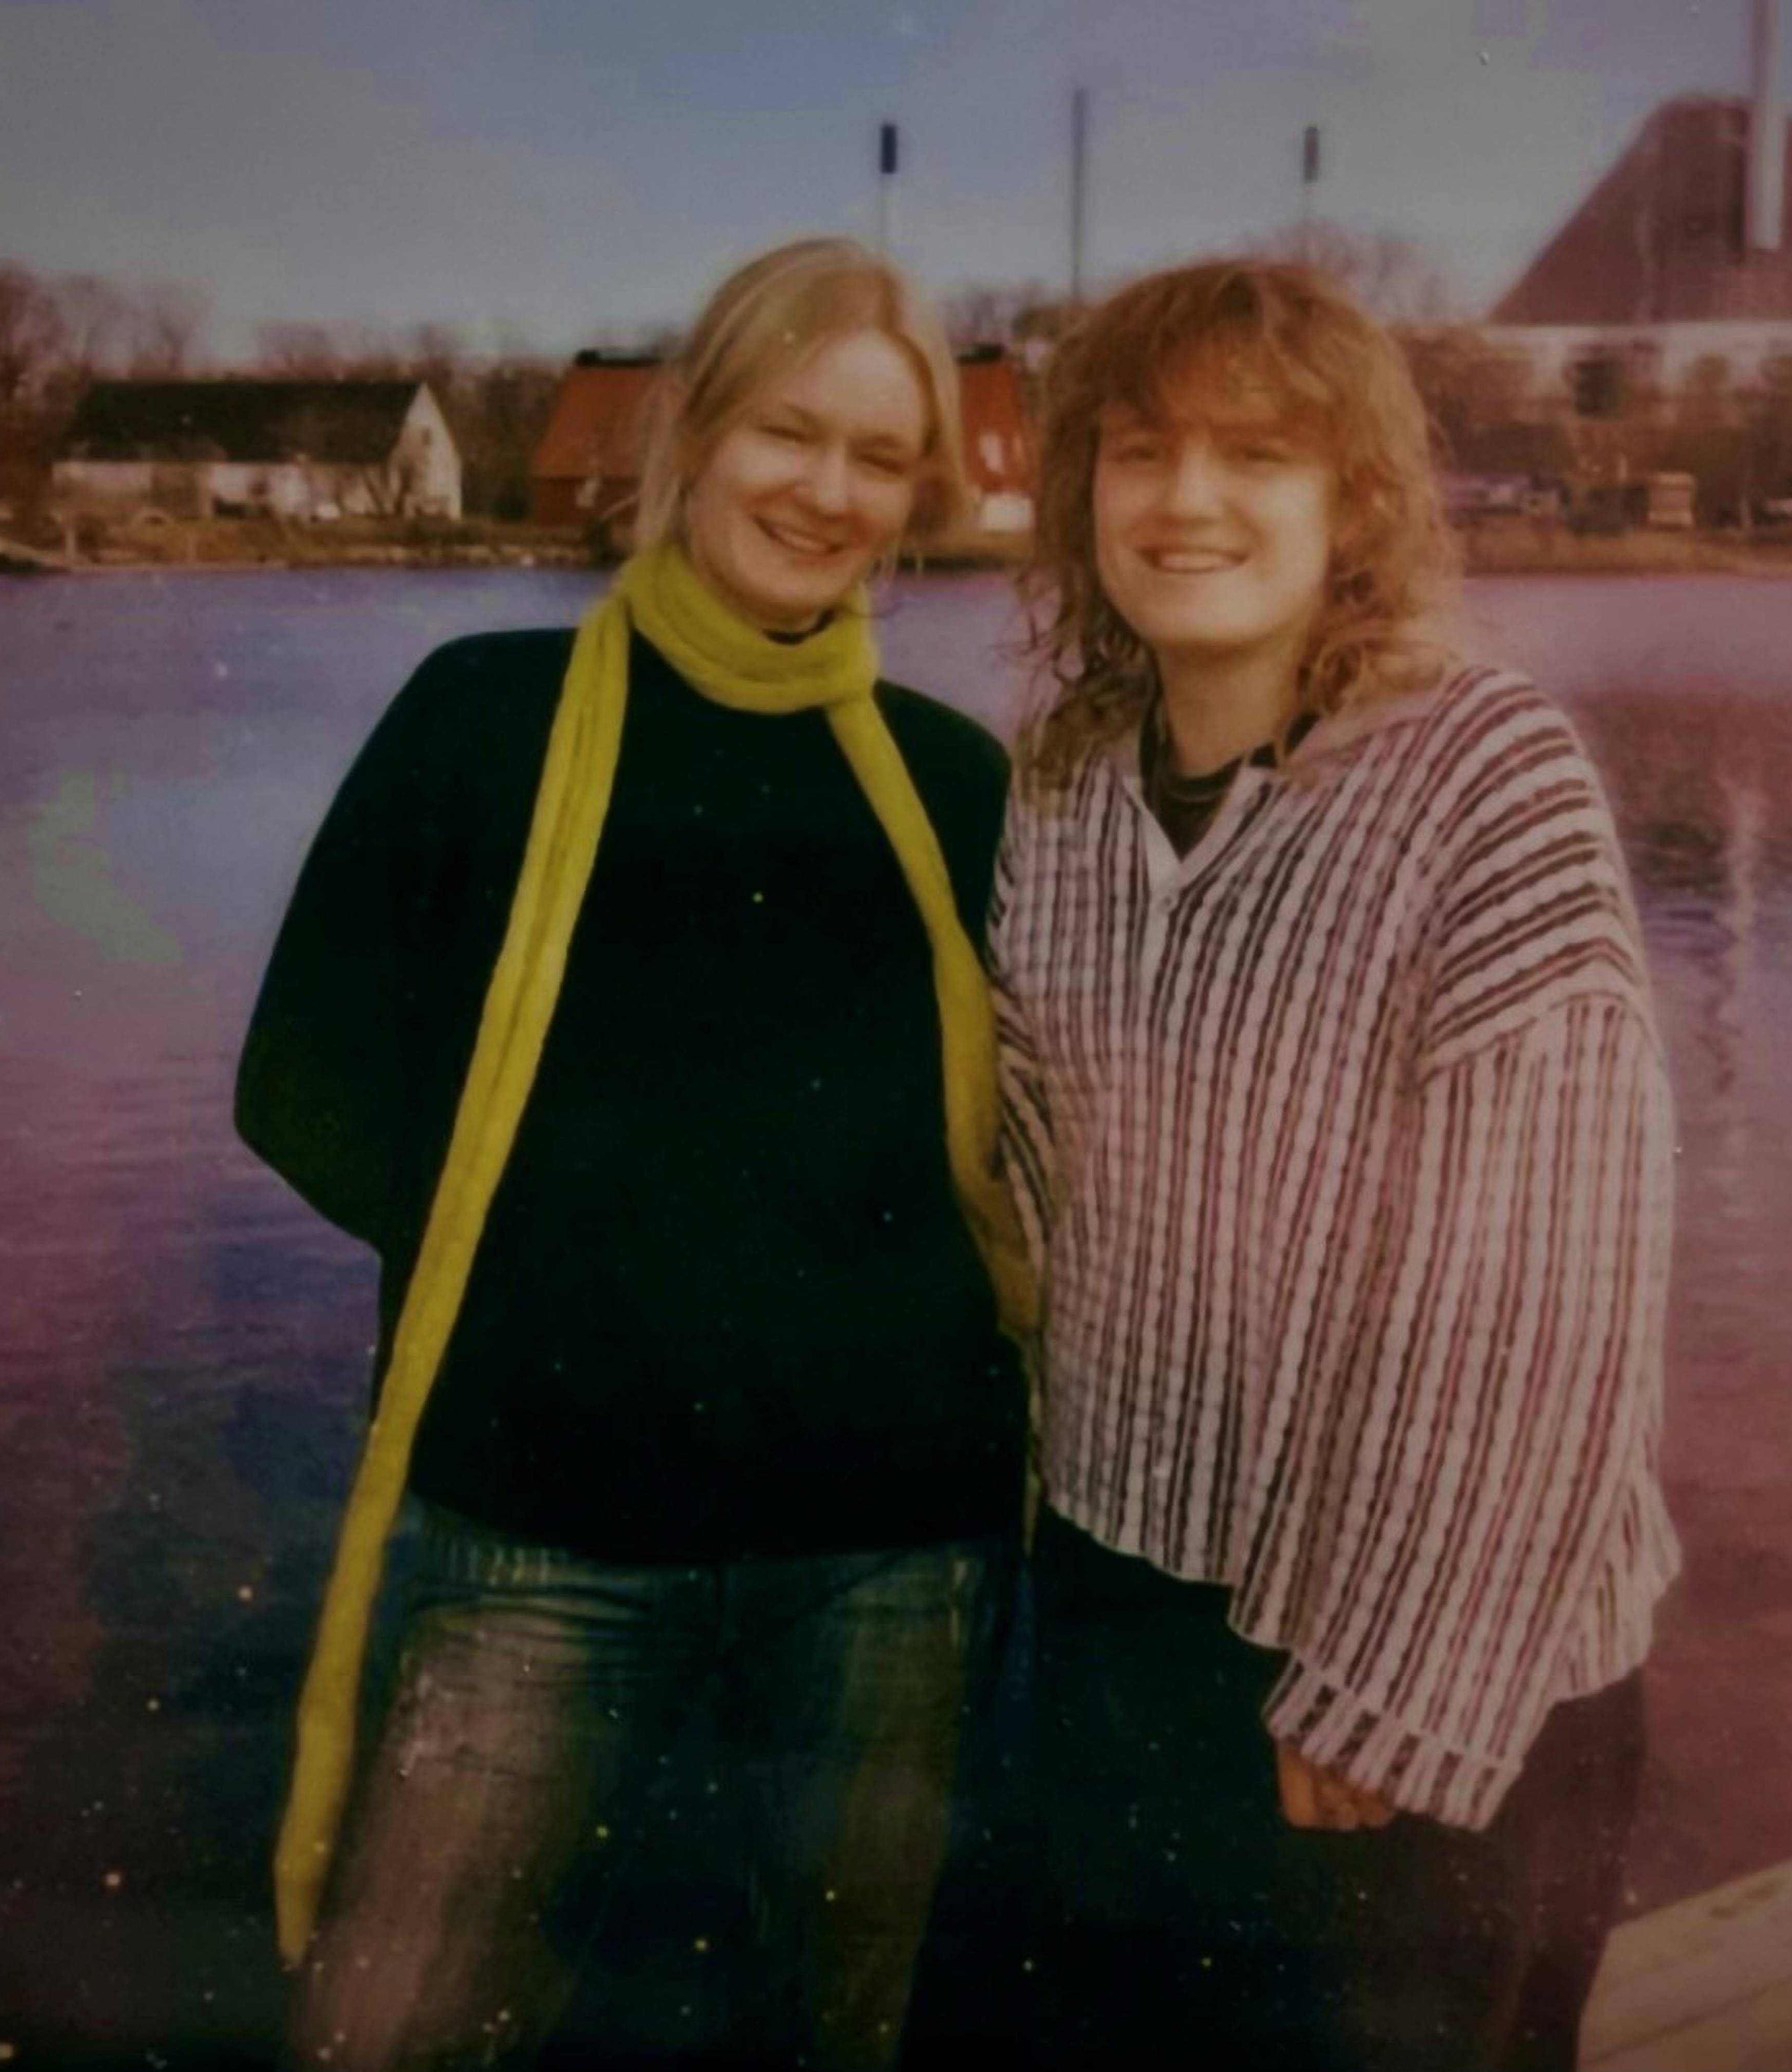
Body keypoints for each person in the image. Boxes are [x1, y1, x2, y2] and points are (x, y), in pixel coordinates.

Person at [234, 235, 1033, 2071]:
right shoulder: (480, 717)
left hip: (887, 1559)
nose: (827, 491)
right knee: (389, 2035)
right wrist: (582, 1294)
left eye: (878, 457)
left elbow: (1030, 1152)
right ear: (691, 427)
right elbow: (305, 1080)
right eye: (787, 430)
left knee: (831, 2036)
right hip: (541, 1539)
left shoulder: (951, 783)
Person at [980, 259, 1680, 2069]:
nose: (1187, 500)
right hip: (1133, 1612)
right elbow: (1032, 1203)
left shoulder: (1485, 777)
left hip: (1425, 1657)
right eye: (1139, 452)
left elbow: (1549, 1280)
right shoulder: (1057, 786)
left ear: (1352, 500)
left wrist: (1388, 1676)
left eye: (1256, 456)